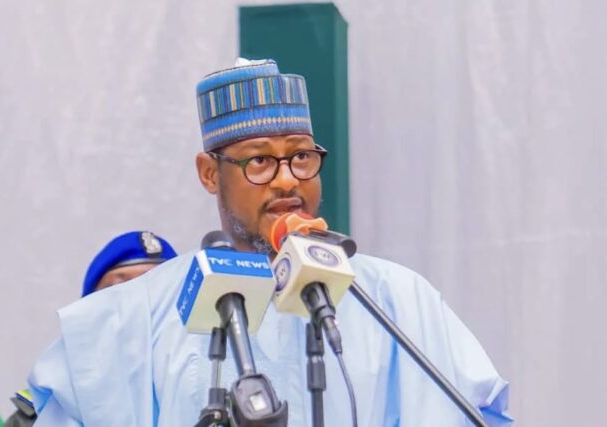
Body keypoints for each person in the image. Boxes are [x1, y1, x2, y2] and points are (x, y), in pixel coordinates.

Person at [28, 59, 512, 426]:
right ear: (209, 173)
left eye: (301, 157)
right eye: (259, 161)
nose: (287, 180)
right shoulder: (138, 314)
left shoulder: (394, 299)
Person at [4, 231, 176, 427]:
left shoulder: (202, 396)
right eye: (118, 290)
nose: (137, 308)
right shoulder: (43, 411)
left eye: (155, 292)